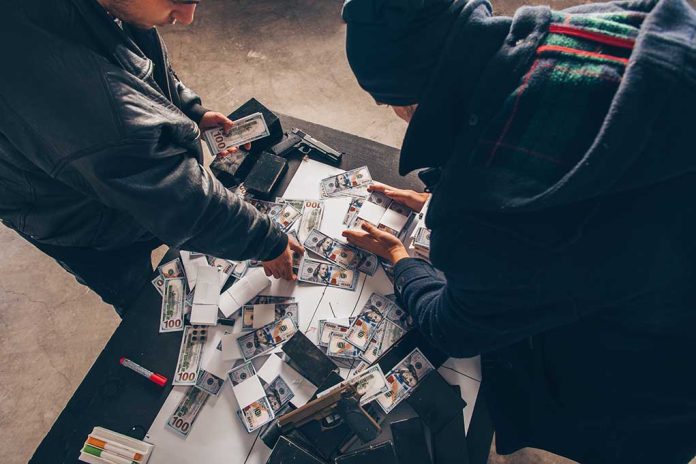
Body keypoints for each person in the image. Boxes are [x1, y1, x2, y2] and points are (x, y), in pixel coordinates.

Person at [341, 0, 696, 462]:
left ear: (410, 100)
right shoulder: (613, 28)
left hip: (645, 385)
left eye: (389, 104)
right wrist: (439, 201)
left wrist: (401, 259)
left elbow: (455, 329)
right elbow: (594, 182)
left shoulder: (483, 220)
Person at [0, 0, 303, 315]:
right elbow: (173, 191)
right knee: (143, 302)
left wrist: (189, 110)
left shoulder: (117, 8)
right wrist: (266, 240)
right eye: (176, 0)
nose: (187, 18)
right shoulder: (49, 73)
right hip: (76, 220)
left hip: (104, 178)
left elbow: (136, 64)